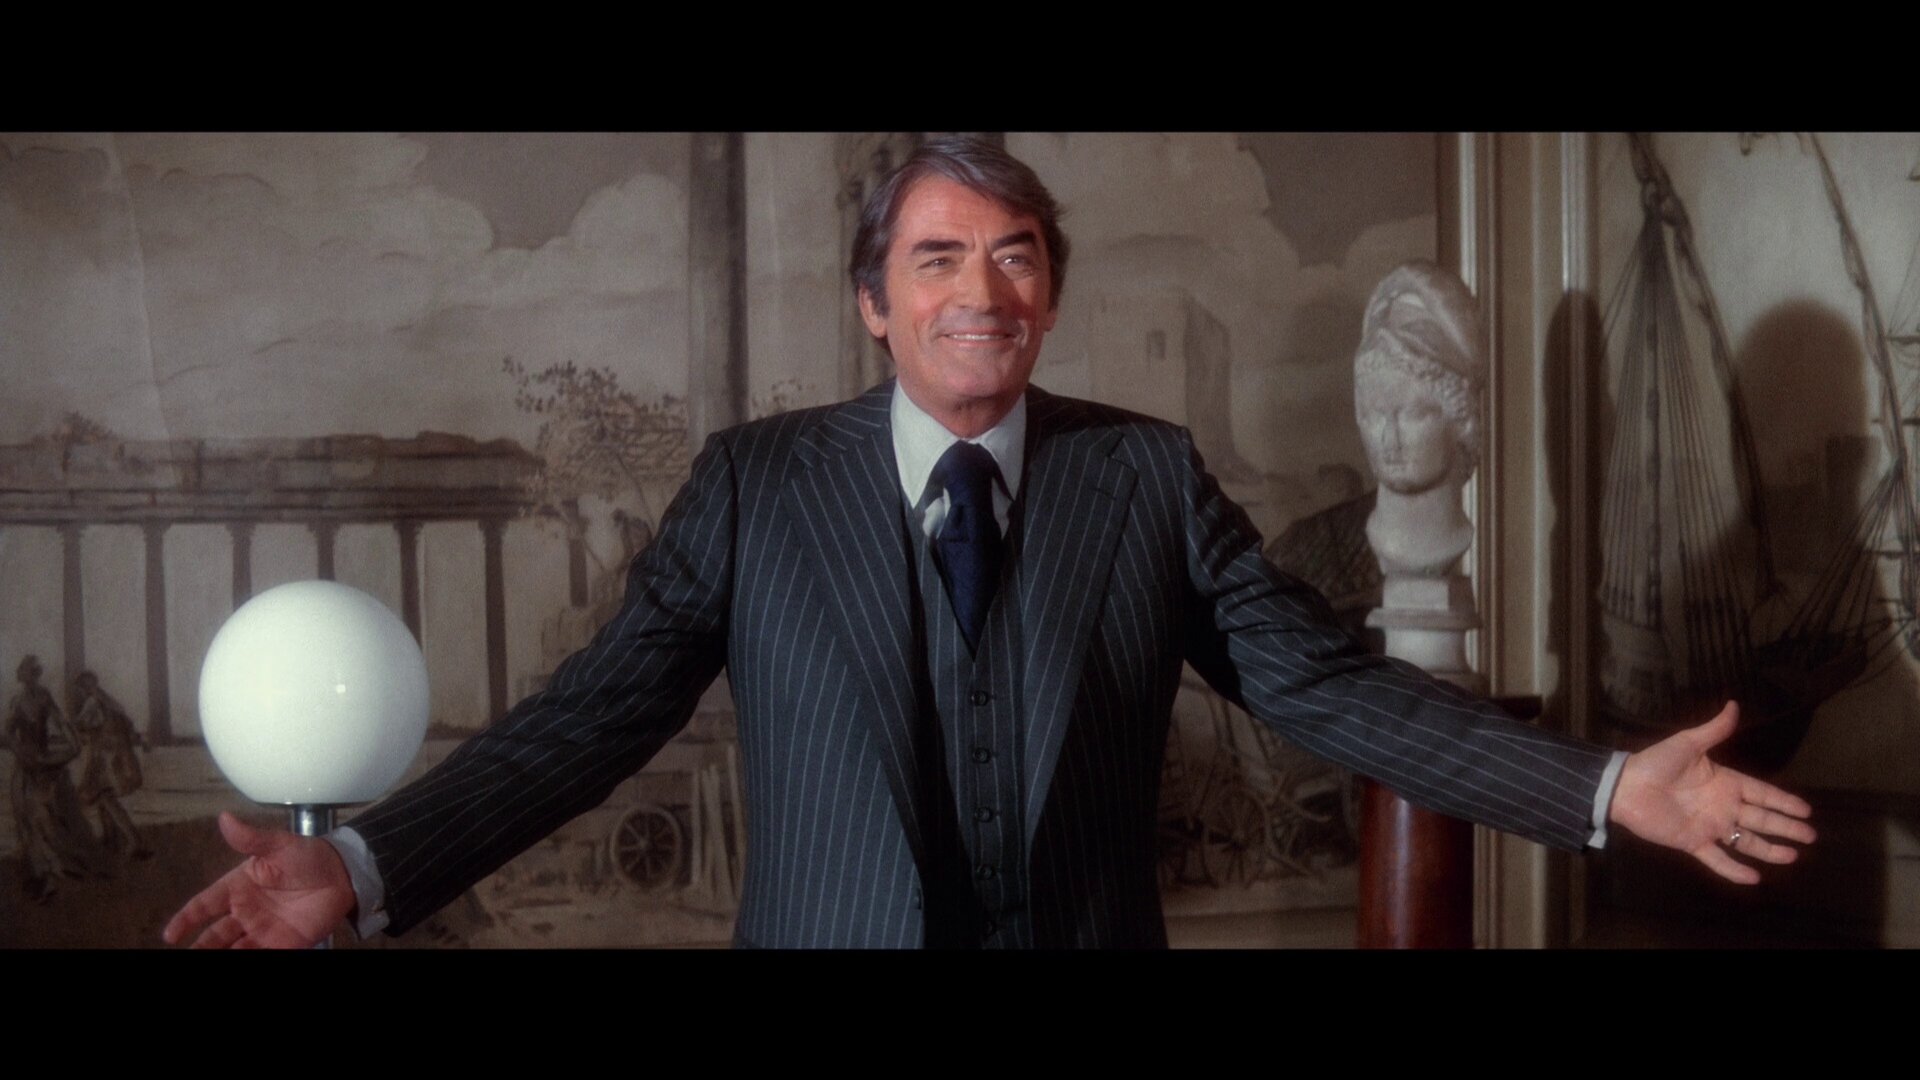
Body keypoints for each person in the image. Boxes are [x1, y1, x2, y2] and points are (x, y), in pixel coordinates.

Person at [166, 137, 1815, 949]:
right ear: (875, 303)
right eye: (939, 259)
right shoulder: (755, 486)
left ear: (1052, 293)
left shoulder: (1144, 479)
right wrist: (364, 869)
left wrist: (1608, 789)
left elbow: (1336, 692)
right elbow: (589, 722)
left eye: (1016, 255)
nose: (983, 291)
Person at [7, 655, 92, 902]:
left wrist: (73, 744)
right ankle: (41, 875)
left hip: (41, 765)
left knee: (40, 818)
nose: (32, 677)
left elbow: (61, 722)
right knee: (28, 819)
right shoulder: (18, 701)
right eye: (28, 672)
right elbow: (7, 733)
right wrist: (21, 753)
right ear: (23, 676)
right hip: (26, 766)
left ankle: (47, 876)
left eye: (34, 672)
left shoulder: (43, 696)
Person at [70, 671, 153, 859]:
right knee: (103, 796)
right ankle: (110, 839)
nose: (80, 692)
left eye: (81, 688)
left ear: (85, 687)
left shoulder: (93, 703)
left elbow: (80, 724)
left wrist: (75, 732)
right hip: (119, 757)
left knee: (105, 797)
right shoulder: (110, 702)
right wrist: (140, 741)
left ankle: (133, 841)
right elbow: (128, 726)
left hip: (106, 758)